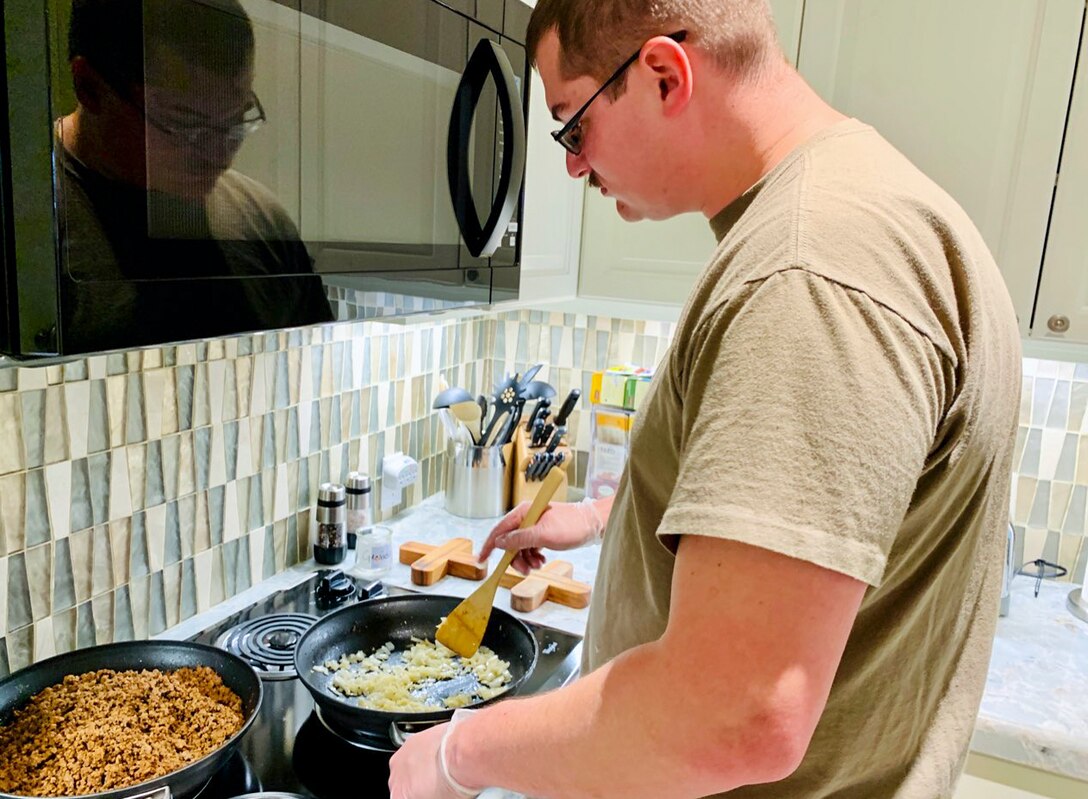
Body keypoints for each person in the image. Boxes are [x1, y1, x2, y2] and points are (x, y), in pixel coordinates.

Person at [388, 0, 1021, 797]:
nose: (572, 167)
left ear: (662, 74)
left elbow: (735, 716)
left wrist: (459, 752)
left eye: (571, 125)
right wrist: (597, 519)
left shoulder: (807, 273)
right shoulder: (851, 214)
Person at [54, 0, 333, 354]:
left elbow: (312, 378)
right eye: (185, 123)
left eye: (237, 116)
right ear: (89, 87)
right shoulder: (22, 233)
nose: (220, 154)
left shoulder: (264, 223)